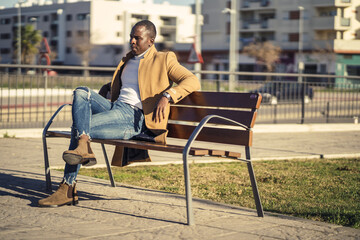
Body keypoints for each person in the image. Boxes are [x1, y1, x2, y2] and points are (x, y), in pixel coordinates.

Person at [38, 20, 200, 207]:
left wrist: (168, 96)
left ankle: (67, 187)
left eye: (137, 38)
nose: (132, 41)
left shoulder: (164, 59)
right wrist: (107, 88)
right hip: (115, 107)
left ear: (151, 41)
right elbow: (128, 86)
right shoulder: (128, 59)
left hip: (132, 117)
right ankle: (83, 147)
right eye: (131, 37)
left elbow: (192, 80)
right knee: (81, 92)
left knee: (79, 127)